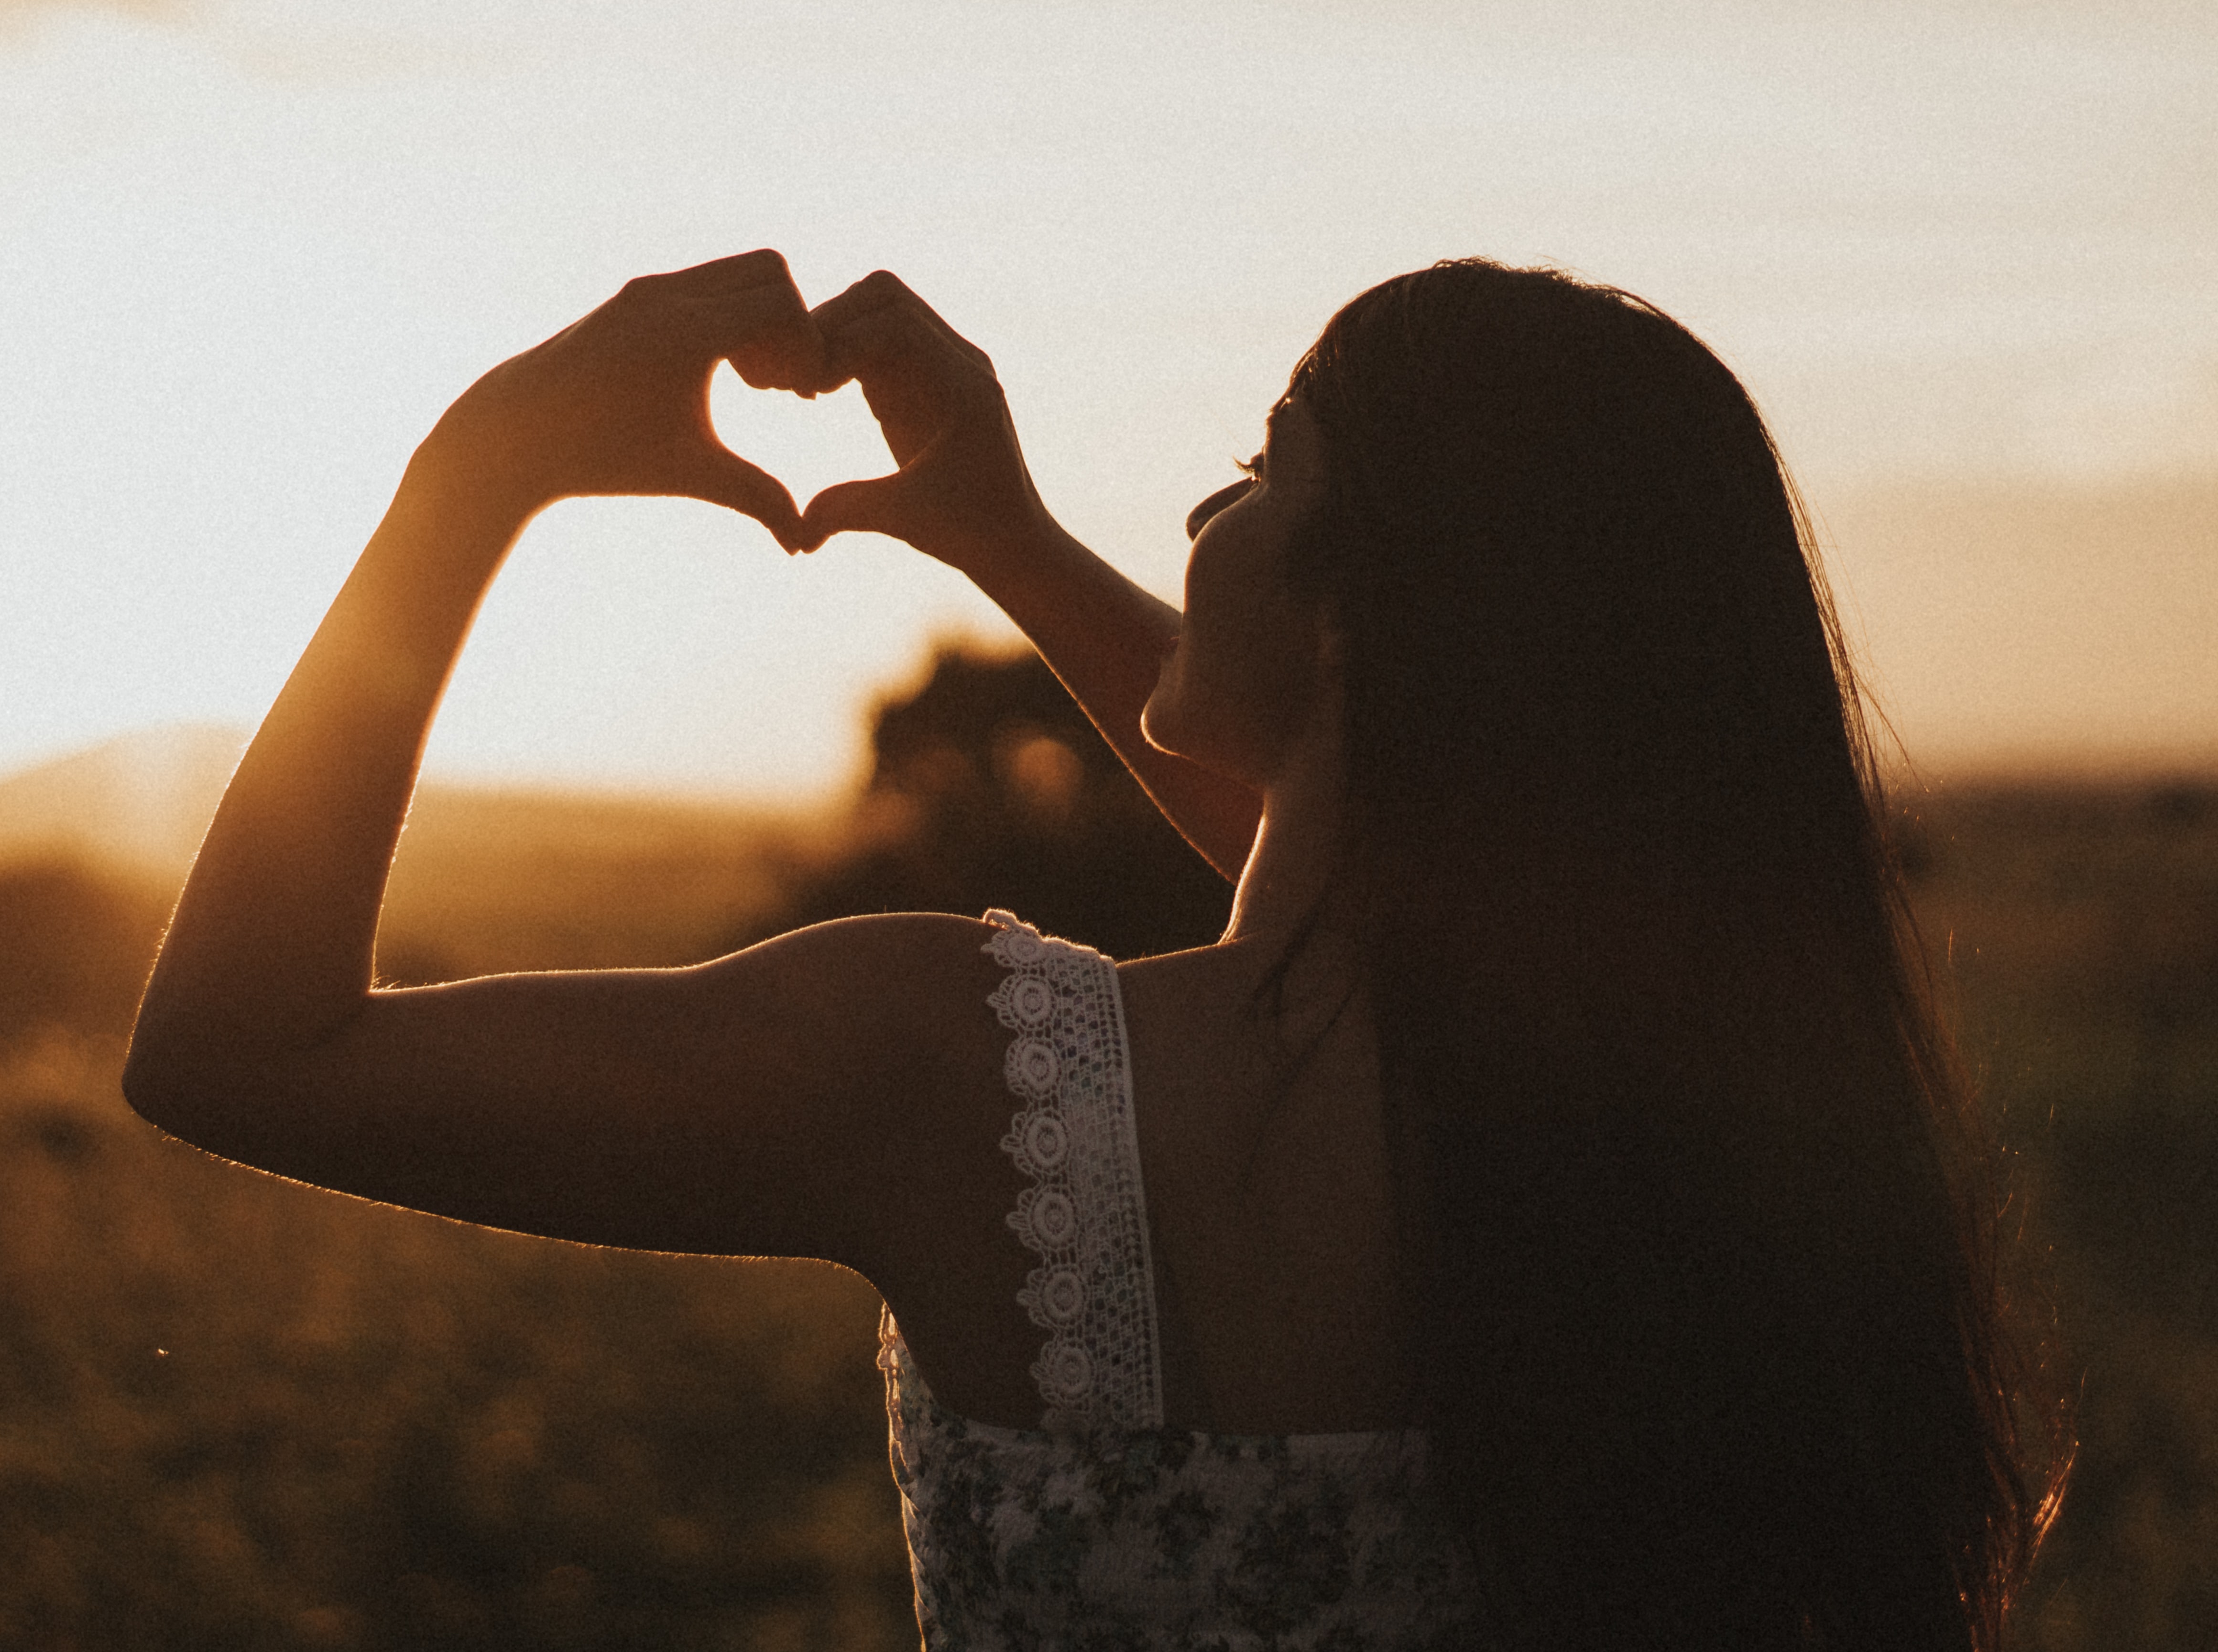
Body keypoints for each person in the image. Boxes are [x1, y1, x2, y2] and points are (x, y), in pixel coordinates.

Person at [123, 250, 2061, 1649]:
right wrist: (1007, 533)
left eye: (1263, 465)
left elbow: (238, 1048)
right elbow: (1412, 864)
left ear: (1368, 613)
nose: (1206, 510)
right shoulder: (1688, 1144)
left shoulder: (971, 1084)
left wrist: (484, 461)